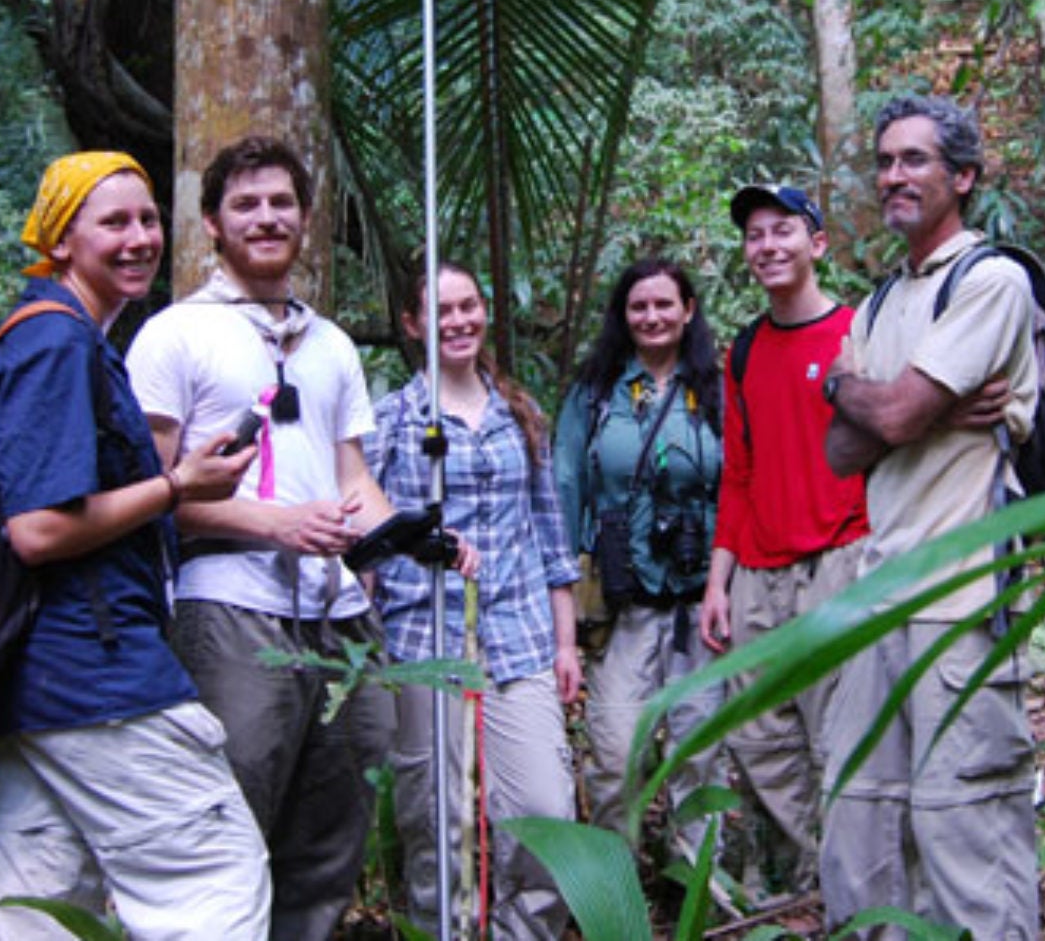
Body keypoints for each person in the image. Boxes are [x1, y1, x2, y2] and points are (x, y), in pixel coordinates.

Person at [0, 152, 271, 940]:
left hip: (36, 692)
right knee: (217, 879)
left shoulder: (66, 339)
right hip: (98, 675)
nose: (139, 238)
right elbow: (37, 530)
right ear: (60, 240)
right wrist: (177, 486)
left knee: (40, 915)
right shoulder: (56, 344)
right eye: (113, 222)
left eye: (147, 219)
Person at [126, 135, 400, 941]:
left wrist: (407, 538)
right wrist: (276, 523)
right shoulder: (175, 335)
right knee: (231, 817)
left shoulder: (332, 344)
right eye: (245, 204)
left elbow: (353, 481)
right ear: (210, 223)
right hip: (230, 607)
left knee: (334, 822)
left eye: (282, 202)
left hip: (339, 615)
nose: (267, 217)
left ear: (307, 219)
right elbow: (152, 493)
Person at [820, 95, 1038, 939]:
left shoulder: (989, 281)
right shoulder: (878, 304)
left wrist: (885, 403)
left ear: (964, 177)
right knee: (862, 821)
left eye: (914, 160)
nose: (893, 176)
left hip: (960, 596)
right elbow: (843, 448)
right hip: (877, 592)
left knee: (965, 826)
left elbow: (898, 418)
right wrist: (857, 393)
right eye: (884, 161)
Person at [365, 260, 580, 941]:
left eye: (468, 306)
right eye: (440, 311)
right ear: (412, 324)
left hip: (519, 636)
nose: (457, 321)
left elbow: (551, 534)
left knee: (545, 810)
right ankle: (441, 930)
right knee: (436, 816)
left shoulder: (521, 413)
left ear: (484, 310)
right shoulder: (392, 420)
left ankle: (526, 932)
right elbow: (368, 542)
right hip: (423, 639)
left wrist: (567, 641)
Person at [696, 184, 870, 895]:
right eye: (755, 235)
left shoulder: (858, 333)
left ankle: (852, 879)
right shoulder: (742, 352)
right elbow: (738, 473)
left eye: (783, 231)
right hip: (757, 571)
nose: (767, 246)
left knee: (841, 731)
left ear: (817, 243)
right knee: (760, 735)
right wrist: (717, 581)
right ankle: (817, 864)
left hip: (840, 558)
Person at [554, 258, 729, 865]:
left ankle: (697, 884)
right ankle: (613, 885)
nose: (652, 317)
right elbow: (566, 486)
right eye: (639, 306)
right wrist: (566, 605)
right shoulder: (596, 394)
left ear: (688, 311)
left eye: (664, 305)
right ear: (623, 316)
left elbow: (741, 487)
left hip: (699, 602)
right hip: (622, 604)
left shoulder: (715, 388)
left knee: (699, 752)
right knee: (614, 753)